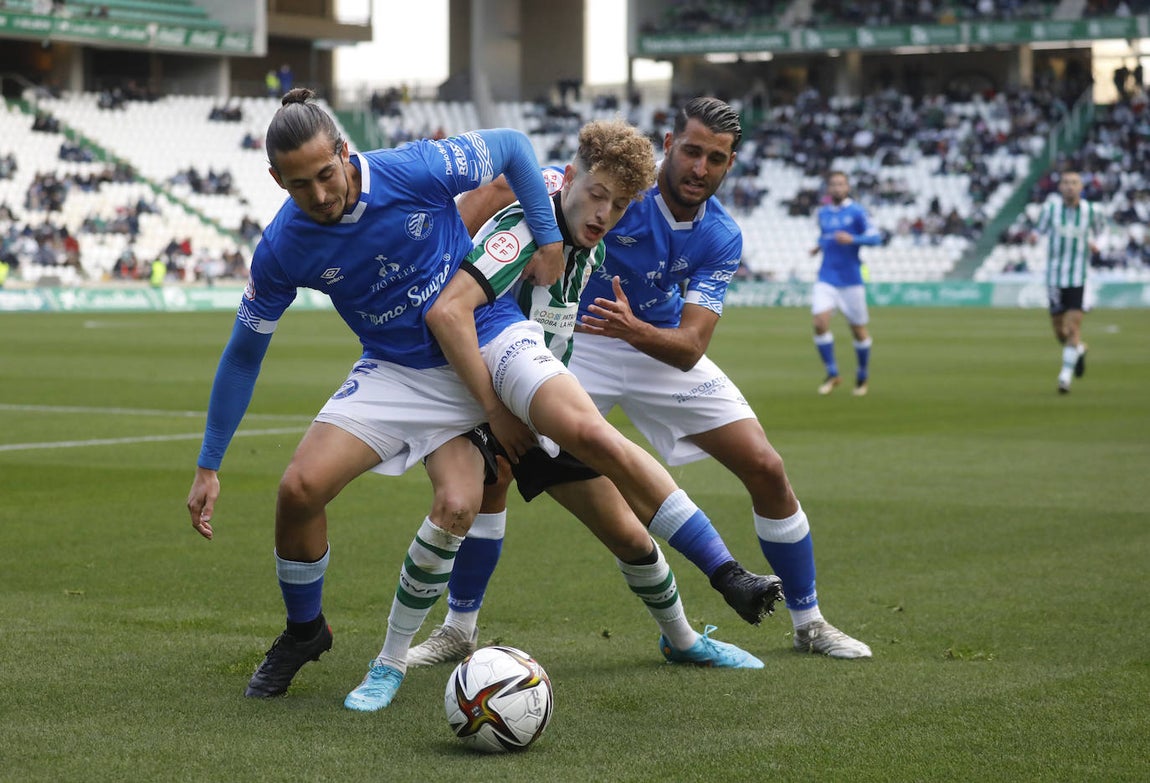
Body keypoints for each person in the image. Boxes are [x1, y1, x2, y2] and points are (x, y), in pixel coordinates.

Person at [344, 119, 786, 712]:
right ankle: (394, 658)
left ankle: (682, 639)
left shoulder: (592, 238)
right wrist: (460, 248)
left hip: (538, 391)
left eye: (621, 204)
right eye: (597, 195)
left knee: (629, 534)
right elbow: (499, 192)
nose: (605, 213)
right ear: (571, 178)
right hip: (479, 384)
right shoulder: (532, 221)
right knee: (459, 505)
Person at [414, 97, 872, 661]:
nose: (700, 168)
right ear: (669, 143)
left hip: (655, 346)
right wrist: (448, 272)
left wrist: (635, 329)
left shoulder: (721, 236)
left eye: (717, 159)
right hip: (578, 345)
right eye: (692, 151)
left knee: (767, 466)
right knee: (497, 469)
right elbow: (506, 189)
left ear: (731, 165)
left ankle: (809, 623)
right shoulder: (615, 181)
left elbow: (690, 348)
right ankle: (460, 628)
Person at [185, 87, 566, 700]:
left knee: (462, 504)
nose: (319, 196)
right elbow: (243, 352)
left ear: (343, 150)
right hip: (393, 369)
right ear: (275, 178)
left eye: (326, 175)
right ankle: (305, 630)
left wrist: (548, 240)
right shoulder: (284, 246)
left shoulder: (414, 169)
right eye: (298, 185)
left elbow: (515, 150)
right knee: (298, 489)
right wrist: (209, 463)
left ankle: (685, 603)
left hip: (474, 347)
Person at [1028, 169, 1105, 394]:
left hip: (1078, 277)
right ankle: (1079, 350)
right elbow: (1038, 231)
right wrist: (1033, 238)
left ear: (1081, 187)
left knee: (1073, 327)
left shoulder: (1091, 211)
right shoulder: (1050, 210)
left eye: (1074, 182)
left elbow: (1103, 232)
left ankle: (1064, 377)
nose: (1070, 186)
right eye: (1065, 182)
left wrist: (1097, 244)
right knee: (1060, 332)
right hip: (1054, 277)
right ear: (1060, 187)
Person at [809, 170, 882, 396]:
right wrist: (819, 246)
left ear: (847, 187)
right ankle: (833, 372)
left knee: (858, 330)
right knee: (820, 323)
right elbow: (826, 235)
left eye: (841, 184)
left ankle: (862, 374)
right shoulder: (823, 213)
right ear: (829, 189)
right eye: (833, 184)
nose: (837, 188)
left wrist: (854, 239)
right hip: (826, 277)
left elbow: (876, 238)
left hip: (851, 280)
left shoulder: (857, 212)